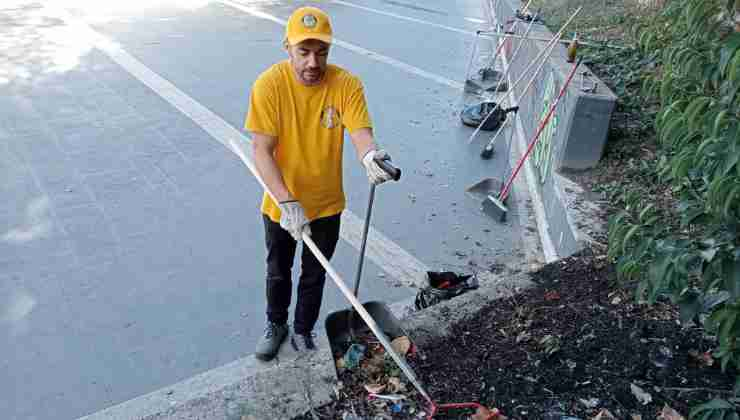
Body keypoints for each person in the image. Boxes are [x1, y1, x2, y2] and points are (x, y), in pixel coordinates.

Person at [244, 6, 394, 361]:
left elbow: (360, 132)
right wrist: (286, 201)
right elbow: (261, 151)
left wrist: (369, 155)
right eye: (304, 52)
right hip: (281, 206)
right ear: (288, 47)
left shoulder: (346, 84)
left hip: (327, 205)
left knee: (315, 275)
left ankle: (302, 329)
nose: (313, 62)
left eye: (322, 52)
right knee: (278, 272)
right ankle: (275, 324)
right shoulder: (269, 85)